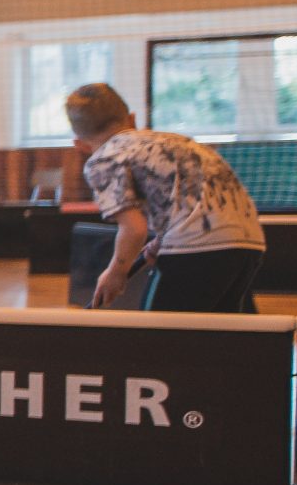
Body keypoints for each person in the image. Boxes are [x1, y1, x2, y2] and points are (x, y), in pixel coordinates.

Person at [69, 82, 267, 312]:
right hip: (249, 242)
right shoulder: (179, 141)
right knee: (226, 335)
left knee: (160, 335)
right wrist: (163, 240)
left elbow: (134, 229)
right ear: (132, 120)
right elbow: (195, 203)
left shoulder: (104, 158)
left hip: (195, 247)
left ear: (80, 145)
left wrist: (116, 272)